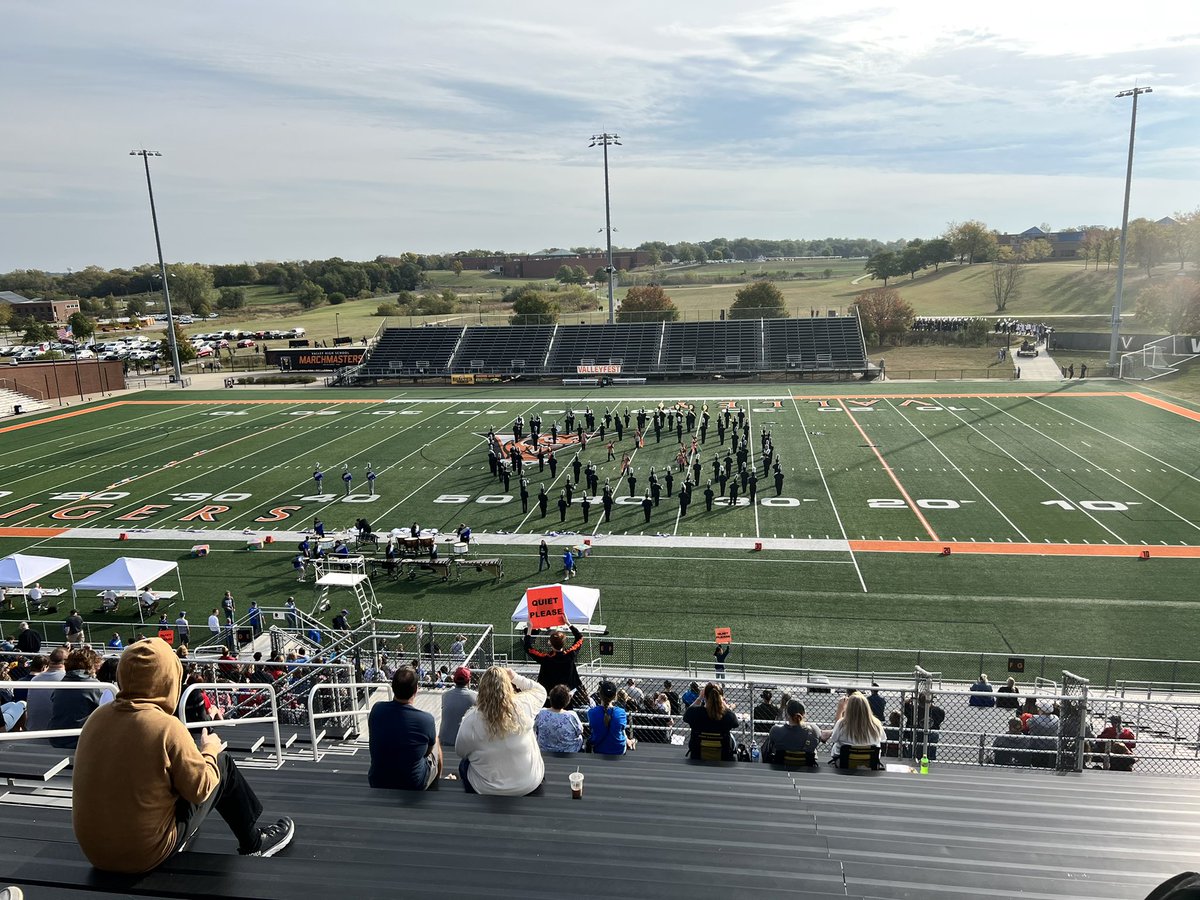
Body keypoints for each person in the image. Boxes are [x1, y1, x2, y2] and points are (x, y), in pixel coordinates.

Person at [72, 638, 295, 871]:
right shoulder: (166, 726)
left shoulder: (97, 718)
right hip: (143, 853)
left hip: (95, 853)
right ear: (169, 680)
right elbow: (202, 789)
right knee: (222, 764)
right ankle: (254, 843)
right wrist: (209, 750)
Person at [454, 666, 547, 795]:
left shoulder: (470, 720)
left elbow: (460, 752)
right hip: (529, 784)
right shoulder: (523, 705)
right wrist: (515, 677)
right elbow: (540, 690)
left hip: (486, 789)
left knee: (464, 764)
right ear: (508, 687)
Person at [367, 666, 442, 791]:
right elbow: (427, 752)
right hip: (413, 784)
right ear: (416, 690)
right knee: (436, 740)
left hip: (378, 781)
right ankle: (438, 781)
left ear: (393, 687)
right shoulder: (426, 719)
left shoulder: (377, 709)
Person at [49, 647, 105, 749]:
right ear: (92, 665)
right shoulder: (95, 686)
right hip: (79, 741)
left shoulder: (61, 684)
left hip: (56, 739)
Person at [523, 623, 584, 698]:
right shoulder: (570, 654)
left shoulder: (545, 658)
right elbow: (580, 638)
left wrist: (529, 629)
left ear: (550, 643)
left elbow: (528, 647)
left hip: (549, 696)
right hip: (567, 696)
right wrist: (568, 623)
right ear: (564, 642)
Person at [683, 682, 739, 761]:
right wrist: (723, 703)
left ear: (704, 696)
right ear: (721, 697)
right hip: (723, 754)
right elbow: (735, 723)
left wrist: (699, 698)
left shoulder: (694, 712)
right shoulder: (727, 715)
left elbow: (686, 716)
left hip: (697, 752)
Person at [827, 692, 885, 764]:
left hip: (845, 761)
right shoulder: (876, 724)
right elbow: (883, 739)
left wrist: (840, 711)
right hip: (870, 761)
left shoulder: (842, 723)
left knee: (836, 745)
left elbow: (834, 739)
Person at [762, 699, 822, 764]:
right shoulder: (814, 730)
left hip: (781, 768)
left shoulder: (775, 730)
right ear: (804, 713)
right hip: (806, 769)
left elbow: (770, 749)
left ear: (787, 714)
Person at [587, 680, 635, 755]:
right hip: (618, 750)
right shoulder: (621, 712)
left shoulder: (592, 712)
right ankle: (630, 741)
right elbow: (621, 729)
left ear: (600, 694)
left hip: (599, 749)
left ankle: (629, 741)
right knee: (621, 730)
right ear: (615, 695)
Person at [25, 646, 67, 731]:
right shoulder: (66, 679)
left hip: (32, 729)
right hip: (56, 734)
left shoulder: (34, 680)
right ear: (67, 662)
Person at [534, 684, 584, 753]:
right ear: (567, 701)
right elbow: (580, 731)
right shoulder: (571, 715)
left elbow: (536, 729)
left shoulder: (541, 713)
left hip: (545, 749)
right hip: (568, 751)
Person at [439, 666, 477, 747]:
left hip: (445, 741)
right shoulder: (476, 696)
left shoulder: (445, 695)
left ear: (454, 679)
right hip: (465, 743)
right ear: (469, 680)